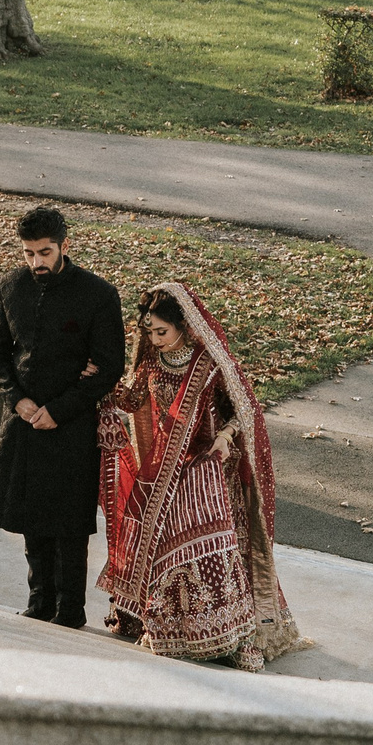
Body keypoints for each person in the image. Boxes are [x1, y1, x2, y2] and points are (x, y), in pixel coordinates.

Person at [97, 282, 306, 671]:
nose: (155, 339)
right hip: (163, 470)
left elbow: (243, 411)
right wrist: (102, 385)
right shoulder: (152, 364)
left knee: (207, 552)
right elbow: (133, 401)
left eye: (162, 331)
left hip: (206, 470)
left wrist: (225, 439)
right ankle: (171, 630)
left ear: (185, 325)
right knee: (164, 550)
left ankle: (227, 638)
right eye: (149, 333)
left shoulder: (209, 364)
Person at [0, 206, 124, 627]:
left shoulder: (98, 294)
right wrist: (18, 401)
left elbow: (110, 365)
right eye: (29, 254)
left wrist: (58, 411)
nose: (36, 262)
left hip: (72, 423)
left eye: (44, 252)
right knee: (30, 517)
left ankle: (70, 612)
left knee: (68, 524)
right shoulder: (10, 285)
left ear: (64, 246)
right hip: (23, 421)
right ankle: (38, 602)